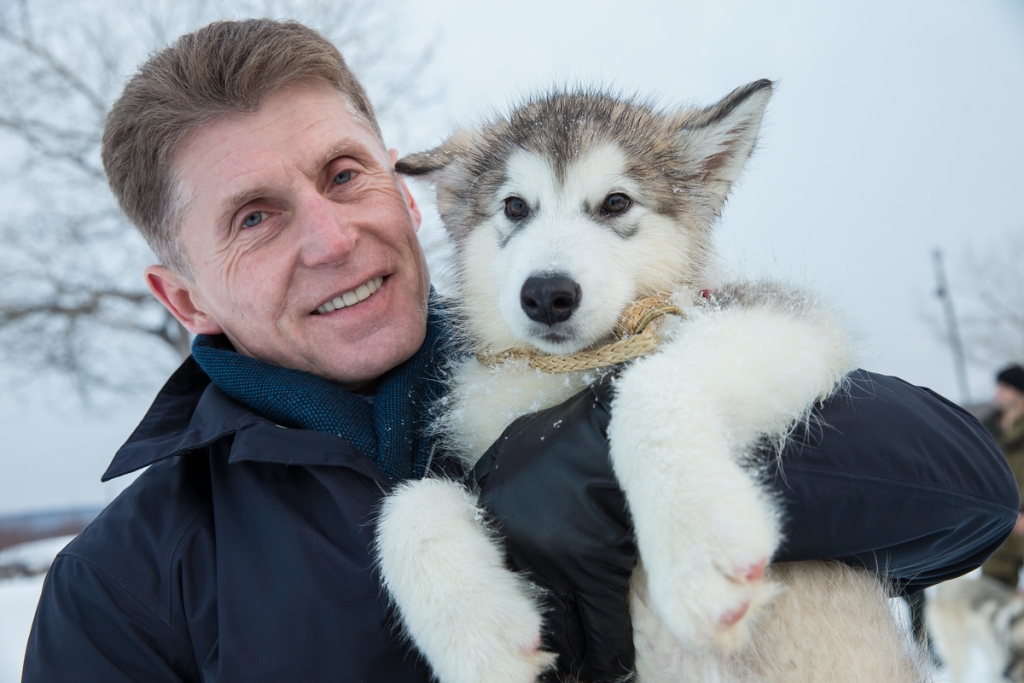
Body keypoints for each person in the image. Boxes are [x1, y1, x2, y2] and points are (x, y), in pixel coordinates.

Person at [20, 18, 1019, 683]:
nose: (330, 239)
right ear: (182, 296)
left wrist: (617, 451)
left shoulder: (637, 337)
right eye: (253, 217)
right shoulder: (124, 583)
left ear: (411, 194)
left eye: (342, 174)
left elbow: (969, 498)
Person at [981, 364, 1024, 589]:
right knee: (993, 591)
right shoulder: (987, 430)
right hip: (1000, 523)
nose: (998, 392)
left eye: (1005, 387)